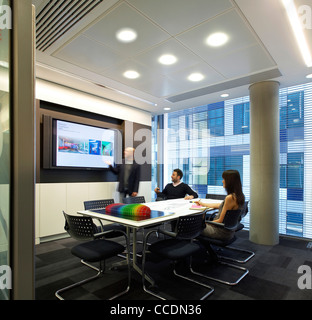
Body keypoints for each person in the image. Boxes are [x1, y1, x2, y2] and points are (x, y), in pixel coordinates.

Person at [196, 170, 245, 241]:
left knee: (192, 227)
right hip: (229, 230)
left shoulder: (230, 198)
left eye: (224, 179)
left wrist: (204, 223)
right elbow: (219, 205)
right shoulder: (239, 196)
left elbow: (220, 221)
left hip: (220, 231)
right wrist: (202, 203)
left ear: (230, 181)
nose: (222, 181)